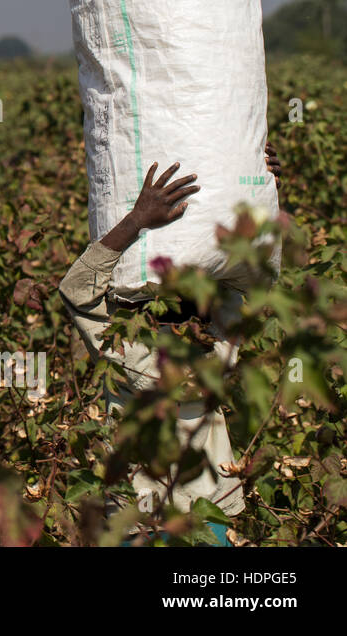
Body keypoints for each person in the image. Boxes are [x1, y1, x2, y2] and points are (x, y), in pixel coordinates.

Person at [59, 145, 282, 543]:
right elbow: (256, 275)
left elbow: (77, 290)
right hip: (210, 506)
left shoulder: (126, 348)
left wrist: (136, 220)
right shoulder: (220, 343)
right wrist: (258, 188)